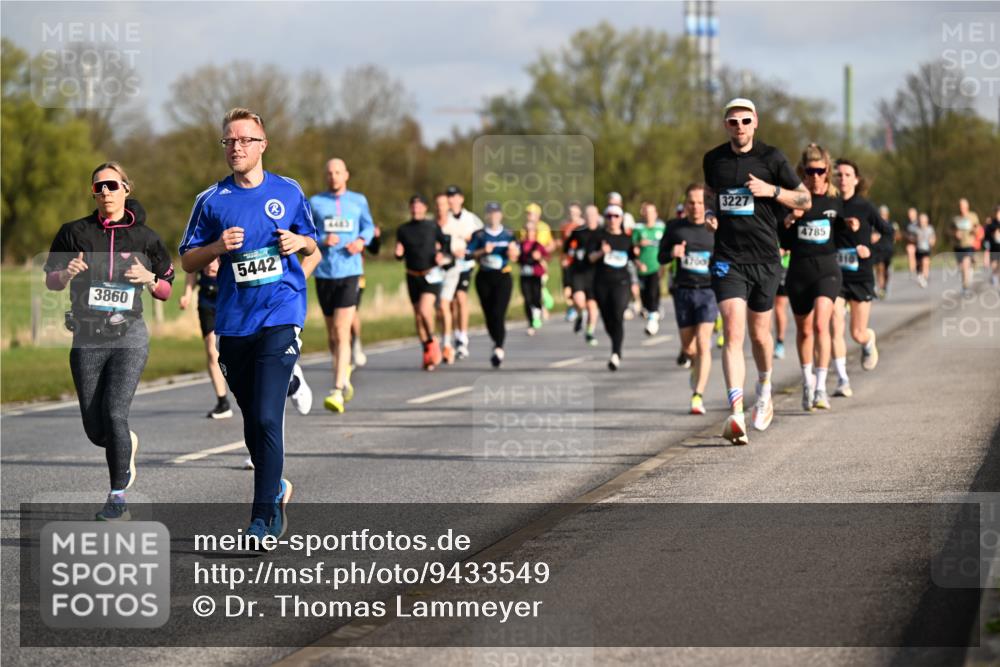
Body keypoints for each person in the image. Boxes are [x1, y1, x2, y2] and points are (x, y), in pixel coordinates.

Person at [179, 108, 317, 546]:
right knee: (251, 420)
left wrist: (299, 243)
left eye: (244, 140)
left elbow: (311, 242)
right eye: (229, 141)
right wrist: (218, 246)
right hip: (235, 322)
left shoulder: (288, 191)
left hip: (281, 312)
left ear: (262, 145)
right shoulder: (211, 200)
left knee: (265, 414)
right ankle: (274, 485)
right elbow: (187, 257)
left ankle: (263, 519)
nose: (235, 147)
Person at [45, 162, 175, 521]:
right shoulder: (74, 233)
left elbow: (165, 289)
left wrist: (149, 278)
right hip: (87, 336)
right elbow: (50, 281)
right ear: (92, 192)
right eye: (98, 186)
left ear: (126, 189)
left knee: (116, 412)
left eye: (112, 185)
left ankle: (117, 496)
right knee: (95, 426)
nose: (105, 192)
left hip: (129, 336)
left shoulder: (146, 238)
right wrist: (65, 272)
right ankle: (124, 444)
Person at [702, 98, 812, 445]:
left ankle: (764, 387)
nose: (739, 127)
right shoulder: (713, 160)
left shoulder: (772, 158)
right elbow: (711, 194)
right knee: (733, 332)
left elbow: (805, 200)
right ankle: (736, 412)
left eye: (745, 121)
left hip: (765, 258)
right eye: (733, 122)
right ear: (725, 125)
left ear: (755, 123)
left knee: (760, 336)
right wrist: (709, 213)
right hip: (728, 257)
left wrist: (772, 191)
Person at [299, 158, 374, 414]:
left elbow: (369, 226)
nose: (333, 176)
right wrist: (321, 239)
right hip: (324, 272)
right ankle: (343, 371)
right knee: (332, 335)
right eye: (329, 172)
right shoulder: (315, 202)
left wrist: (362, 241)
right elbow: (305, 232)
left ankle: (337, 389)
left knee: (342, 330)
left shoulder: (358, 200)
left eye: (338, 172)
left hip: (350, 271)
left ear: (346, 175)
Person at [778, 144, 847, 412]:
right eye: (810, 171)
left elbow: (845, 234)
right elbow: (781, 241)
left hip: (828, 271)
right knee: (805, 330)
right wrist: (788, 221)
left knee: (821, 326)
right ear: (802, 172)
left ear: (827, 171)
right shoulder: (794, 200)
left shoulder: (835, 201)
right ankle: (807, 382)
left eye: (820, 171)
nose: (816, 176)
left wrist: (860, 235)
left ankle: (821, 386)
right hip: (798, 272)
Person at [659, 184, 717, 414]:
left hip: (708, 291)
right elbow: (660, 257)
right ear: (686, 203)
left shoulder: (714, 227)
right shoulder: (674, 227)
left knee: (704, 342)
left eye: (701, 202)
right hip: (683, 291)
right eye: (692, 202)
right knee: (689, 347)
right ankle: (693, 362)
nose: (696, 207)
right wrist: (671, 253)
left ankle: (697, 395)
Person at [830, 158, 885, 398]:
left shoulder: (865, 207)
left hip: (861, 275)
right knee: (834, 326)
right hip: (834, 275)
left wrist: (871, 251)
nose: (842, 178)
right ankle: (842, 379)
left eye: (847, 174)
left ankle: (867, 340)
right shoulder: (829, 205)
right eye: (839, 174)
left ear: (856, 179)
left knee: (856, 333)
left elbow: (889, 234)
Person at [395, 195, 448, 369]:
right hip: (412, 275)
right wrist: (398, 253)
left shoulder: (433, 226)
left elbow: (446, 244)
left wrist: (442, 254)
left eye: (419, 207)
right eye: (413, 206)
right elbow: (399, 254)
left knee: (425, 311)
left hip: (431, 274)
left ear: (425, 208)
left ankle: (432, 342)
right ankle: (426, 350)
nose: (416, 210)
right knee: (418, 317)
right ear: (410, 209)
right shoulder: (403, 229)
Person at [467, 202, 519, 367]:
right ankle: (495, 339)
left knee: (498, 312)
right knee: (489, 314)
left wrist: (513, 252)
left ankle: (499, 347)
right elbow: (468, 254)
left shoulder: (509, 234)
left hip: (503, 277)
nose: (493, 216)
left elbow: (516, 254)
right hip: (484, 277)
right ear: (486, 216)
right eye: (490, 213)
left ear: (501, 215)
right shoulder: (480, 235)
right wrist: (483, 251)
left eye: (496, 213)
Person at [179, 258, 231, 419]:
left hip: (229, 296)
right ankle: (222, 402)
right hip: (207, 300)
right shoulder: (199, 237)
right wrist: (187, 294)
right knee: (211, 348)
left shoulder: (230, 234)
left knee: (237, 347)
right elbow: (192, 269)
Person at [588, 205, 635, 371]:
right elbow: (590, 258)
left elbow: (633, 257)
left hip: (621, 282)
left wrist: (640, 262)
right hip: (601, 283)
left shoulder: (627, 238)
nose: (612, 219)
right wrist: (601, 252)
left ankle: (616, 352)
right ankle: (616, 343)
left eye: (616, 216)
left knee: (617, 314)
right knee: (608, 320)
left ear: (621, 219)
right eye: (609, 216)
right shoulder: (598, 236)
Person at [445, 185, 484, 359]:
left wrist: (471, 243)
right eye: (449, 197)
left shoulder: (471, 219)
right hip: (449, 264)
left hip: (465, 264)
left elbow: (482, 238)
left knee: (461, 298)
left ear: (461, 198)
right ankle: (454, 334)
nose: (451, 200)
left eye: (454, 196)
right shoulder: (444, 219)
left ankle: (463, 338)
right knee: (450, 303)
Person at [567, 204, 602, 346]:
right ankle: (580, 316)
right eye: (588, 215)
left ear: (597, 216)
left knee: (592, 307)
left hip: (595, 274)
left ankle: (589, 332)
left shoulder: (602, 232)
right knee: (579, 301)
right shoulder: (578, 231)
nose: (591, 218)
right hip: (579, 272)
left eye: (593, 215)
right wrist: (567, 259)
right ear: (584, 217)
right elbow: (568, 248)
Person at [433, 192, 461, 363]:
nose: (440, 208)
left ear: (448, 206)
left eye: (443, 204)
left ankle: (447, 345)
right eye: (437, 204)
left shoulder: (455, 225)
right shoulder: (430, 225)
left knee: (444, 305)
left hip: (451, 269)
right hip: (434, 271)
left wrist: (450, 250)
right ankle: (438, 339)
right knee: (436, 310)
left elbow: (461, 246)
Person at [633, 202, 666, 335]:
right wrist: (638, 254)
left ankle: (653, 321)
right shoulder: (639, 229)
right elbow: (632, 249)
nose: (649, 215)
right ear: (643, 213)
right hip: (642, 267)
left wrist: (663, 264)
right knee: (645, 296)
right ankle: (654, 310)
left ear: (656, 214)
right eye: (647, 212)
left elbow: (666, 247)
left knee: (653, 291)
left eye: (652, 212)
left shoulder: (661, 228)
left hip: (656, 266)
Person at [351, 222, 381, 368]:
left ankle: (356, 343)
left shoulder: (360, 224)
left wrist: (376, 237)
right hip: (333, 275)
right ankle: (341, 349)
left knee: (352, 312)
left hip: (357, 277)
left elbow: (374, 250)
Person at [519, 216, 550, 334]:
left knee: (536, 296)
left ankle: (537, 314)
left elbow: (546, 256)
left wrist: (540, 257)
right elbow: (517, 258)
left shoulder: (538, 245)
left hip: (536, 274)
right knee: (527, 298)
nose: (529, 232)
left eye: (531, 230)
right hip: (525, 275)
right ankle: (530, 321)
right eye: (527, 230)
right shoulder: (521, 245)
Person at [559, 203, 584, 322]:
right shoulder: (564, 226)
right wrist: (563, 257)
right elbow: (563, 244)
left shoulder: (583, 225)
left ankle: (580, 309)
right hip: (568, 260)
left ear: (579, 212)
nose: (572, 214)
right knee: (567, 287)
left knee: (578, 287)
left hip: (580, 261)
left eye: (575, 211)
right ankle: (571, 307)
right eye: (570, 211)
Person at [952, 198, 981, 297]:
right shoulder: (955, 218)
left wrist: (974, 230)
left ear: (967, 207)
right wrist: (954, 233)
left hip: (969, 245)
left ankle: (965, 288)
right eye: (960, 206)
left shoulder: (972, 216)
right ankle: (969, 274)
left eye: (964, 206)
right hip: (958, 246)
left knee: (965, 265)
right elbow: (948, 230)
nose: (962, 208)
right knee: (961, 268)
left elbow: (978, 228)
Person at [873, 204, 897, 299]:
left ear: (887, 215)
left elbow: (896, 236)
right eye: (881, 214)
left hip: (888, 250)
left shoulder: (891, 225)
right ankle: (881, 287)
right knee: (880, 268)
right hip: (879, 250)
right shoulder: (875, 225)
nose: (883, 215)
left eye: (884, 214)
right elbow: (872, 236)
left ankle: (884, 286)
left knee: (886, 271)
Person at [773, 249, 790, 360]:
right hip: (764, 265)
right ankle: (765, 340)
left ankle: (780, 342)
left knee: (779, 307)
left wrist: (784, 250)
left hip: (783, 265)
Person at [914, 212, 936, 288]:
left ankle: (925, 278)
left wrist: (932, 241)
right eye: (921, 221)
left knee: (925, 262)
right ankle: (920, 276)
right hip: (918, 250)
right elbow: (912, 238)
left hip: (926, 249)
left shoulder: (930, 229)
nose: (922, 222)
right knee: (919, 265)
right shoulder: (916, 229)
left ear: (927, 221)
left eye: (923, 221)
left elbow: (933, 238)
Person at [985, 205, 1000, 287]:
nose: (998, 214)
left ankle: (996, 276)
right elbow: (986, 236)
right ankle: (994, 277)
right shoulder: (991, 224)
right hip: (994, 248)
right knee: (994, 265)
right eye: (997, 212)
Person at [903, 207, 920, 278]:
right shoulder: (906, 223)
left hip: (920, 243)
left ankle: (920, 269)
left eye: (912, 214)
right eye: (909, 214)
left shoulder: (920, 223)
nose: (911, 215)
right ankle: (912, 271)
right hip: (911, 243)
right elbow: (904, 234)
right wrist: (909, 238)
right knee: (910, 250)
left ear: (916, 214)